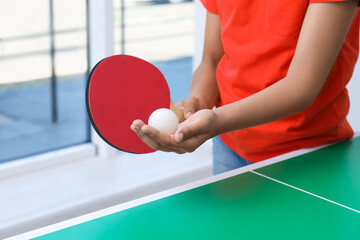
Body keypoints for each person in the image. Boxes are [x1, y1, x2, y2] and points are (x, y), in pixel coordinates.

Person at [131, 0, 360, 174]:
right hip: (229, 146)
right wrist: (197, 104)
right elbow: (211, 59)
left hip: (308, 155)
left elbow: (302, 86)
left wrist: (217, 121)